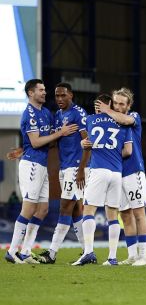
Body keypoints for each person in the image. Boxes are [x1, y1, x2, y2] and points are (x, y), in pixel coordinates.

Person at [5, 79, 77, 264]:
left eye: (45, 89)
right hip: (32, 165)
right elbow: (36, 142)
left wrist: (23, 148)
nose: (45, 93)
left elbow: (48, 140)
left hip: (42, 165)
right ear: (31, 93)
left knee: (43, 209)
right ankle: (12, 251)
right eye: (41, 90)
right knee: (29, 208)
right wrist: (60, 133)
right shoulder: (29, 114)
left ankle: (26, 252)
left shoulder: (46, 113)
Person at [72, 94, 133, 266]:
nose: (96, 106)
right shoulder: (123, 122)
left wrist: (83, 143)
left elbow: (88, 144)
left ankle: (89, 252)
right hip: (116, 172)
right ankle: (112, 258)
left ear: (105, 105)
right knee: (112, 216)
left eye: (98, 104)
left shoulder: (91, 120)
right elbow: (128, 151)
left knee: (88, 211)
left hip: (98, 170)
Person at [96, 88, 146, 266]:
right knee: (125, 216)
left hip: (134, 171)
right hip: (116, 173)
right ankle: (132, 255)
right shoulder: (109, 121)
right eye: (115, 102)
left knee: (139, 213)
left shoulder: (133, 117)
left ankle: (143, 256)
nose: (118, 106)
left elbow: (125, 119)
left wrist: (107, 110)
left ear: (128, 106)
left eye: (121, 103)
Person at [37, 83, 89, 264]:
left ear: (71, 95)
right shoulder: (58, 116)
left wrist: (81, 169)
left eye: (63, 96)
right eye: (57, 96)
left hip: (75, 167)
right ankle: (87, 251)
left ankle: (52, 253)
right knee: (75, 211)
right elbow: (52, 142)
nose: (59, 99)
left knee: (64, 207)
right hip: (64, 167)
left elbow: (87, 142)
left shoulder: (79, 113)